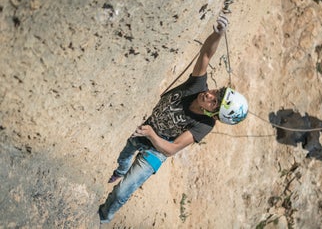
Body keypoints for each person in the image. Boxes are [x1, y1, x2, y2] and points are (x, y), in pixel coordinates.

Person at [98, 14, 248, 223]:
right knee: (124, 156)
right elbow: (205, 55)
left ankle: (103, 217)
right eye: (216, 93)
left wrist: (151, 134)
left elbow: (172, 149)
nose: (210, 95)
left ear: (213, 114)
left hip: (157, 148)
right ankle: (120, 169)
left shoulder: (203, 125)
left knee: (123, 192)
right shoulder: (196, 86)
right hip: (147, 129)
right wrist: (218, 34)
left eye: (214, 102)